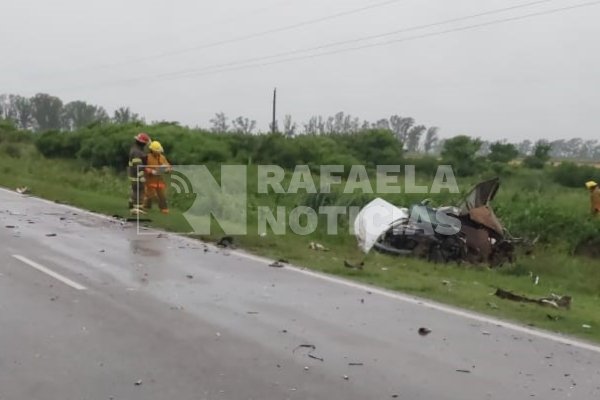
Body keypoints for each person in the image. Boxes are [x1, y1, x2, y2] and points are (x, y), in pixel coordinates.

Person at [144, 141, 171, 214]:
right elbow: (143, 167)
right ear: (152, 150)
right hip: (150, 180)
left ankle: (164, 209)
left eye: (159, 151)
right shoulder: (147, 157)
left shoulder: (162, 157)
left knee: (162, 195)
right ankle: (146, 206)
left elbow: (168, 166)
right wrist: (151, 171)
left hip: (160, 181)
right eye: (157, 151)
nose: (158, 152)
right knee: (151, 195)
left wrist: (167, 170)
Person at [128, 133, 151, 215]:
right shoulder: (137, 152)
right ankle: (136, 209)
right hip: (137, 175)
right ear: (143, 143)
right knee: (138, 190)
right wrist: (141, 175)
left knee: (136, 190)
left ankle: (136, 206)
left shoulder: (136, 150)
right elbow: (138, 165)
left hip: (134, 174)